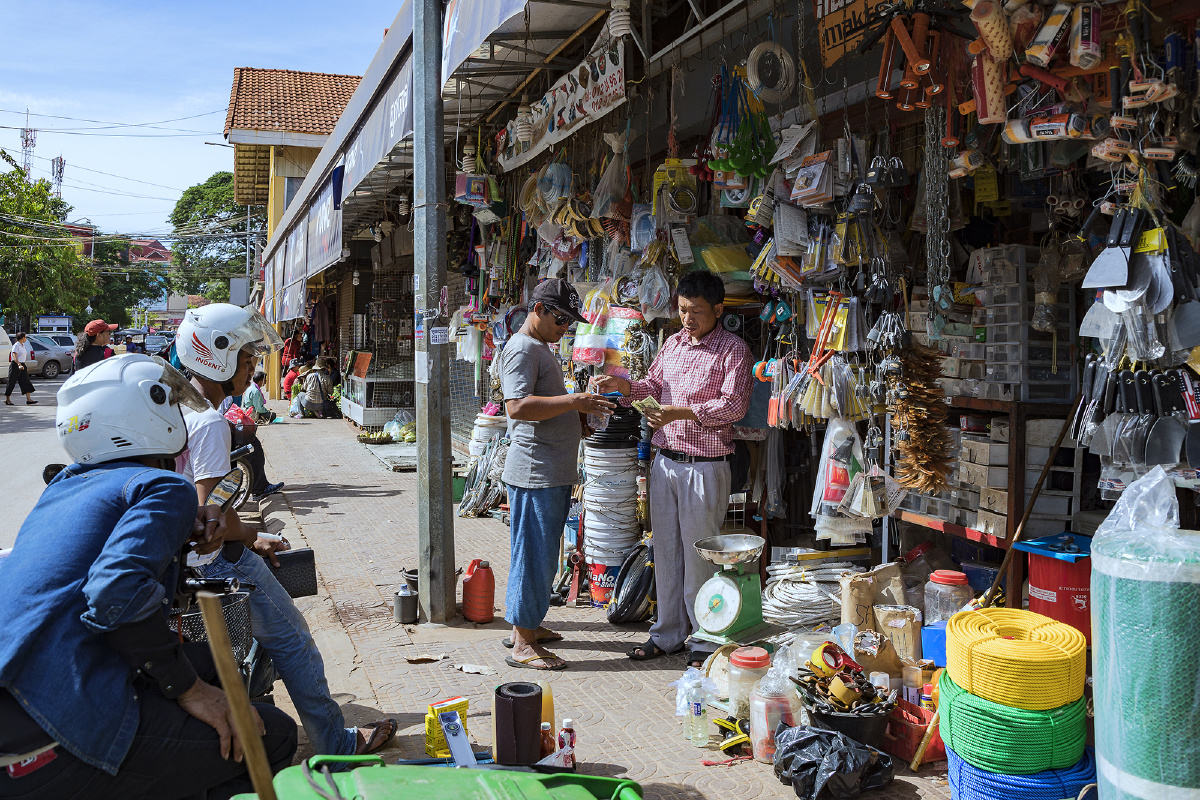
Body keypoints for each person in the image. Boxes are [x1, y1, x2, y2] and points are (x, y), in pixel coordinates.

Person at [0, 354, 298, 799]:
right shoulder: (164, 486)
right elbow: (114, 589)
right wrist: (189, 691)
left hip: (17, 699)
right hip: (53, 732)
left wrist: (201, 532)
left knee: (211, 664)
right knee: (272, 733)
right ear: (148, 415)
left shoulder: (65, 486)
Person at [173, 303, 397, 757]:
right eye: (248, 357)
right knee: (295, 639)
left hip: (188, 564)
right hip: (215, 563)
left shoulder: (179, 406)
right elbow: (207, 521)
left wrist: (252, 537)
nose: (254, 365)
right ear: (218, 357)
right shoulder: (213, 422)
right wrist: (245, 537)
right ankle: (334, 741)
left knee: (263, 641)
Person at [593, 269, 752, 668]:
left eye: (696, 311)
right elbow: (652, 386)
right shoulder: (673, 343)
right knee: (665, 552)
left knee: (700, 557)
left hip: (704, 466)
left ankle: (703, 643)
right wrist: (624, 387)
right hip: (666, 463)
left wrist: (680, 413)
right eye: (682, 310)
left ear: (718, 309)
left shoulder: (733, 350)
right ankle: (667, 634)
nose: (687, 319)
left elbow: (734, 406)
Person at [497, 278, 614, 671]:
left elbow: (542, 407)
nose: (566, 327)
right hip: (536, 472)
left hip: (547, 469)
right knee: (535, 555)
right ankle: (524, 643)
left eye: (570, 322)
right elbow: (517, 407)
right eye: (560, 319)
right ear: (539, 310)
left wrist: (576, 414)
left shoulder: (538, 348)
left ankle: (526, 627)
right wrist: (573, 400)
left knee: (537, 554)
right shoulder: (523, 349)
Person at [5, 331, 36, 406]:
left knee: (26, 381)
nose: (26, 339)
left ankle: (29, 399)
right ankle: (7, 399)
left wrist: (22, 365)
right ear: (22, 338)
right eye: (25, 337)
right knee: (11, 382)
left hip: (22, 365)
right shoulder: (16, 345)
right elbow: (14, 356)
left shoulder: (22, 345)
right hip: (15, 365)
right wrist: (19, 364)